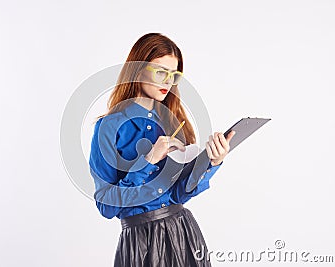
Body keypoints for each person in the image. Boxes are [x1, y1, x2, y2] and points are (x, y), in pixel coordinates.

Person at [89, 33, 235, 267]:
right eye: (160, 72)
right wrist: (148, 160)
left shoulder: (172, 122)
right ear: (137, 70)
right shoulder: (109, 127)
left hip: (183, 234)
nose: (167, 81)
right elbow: (106, 206)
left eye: (174, 75)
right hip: (140, 243)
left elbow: (179, 194)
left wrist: (211, 163)